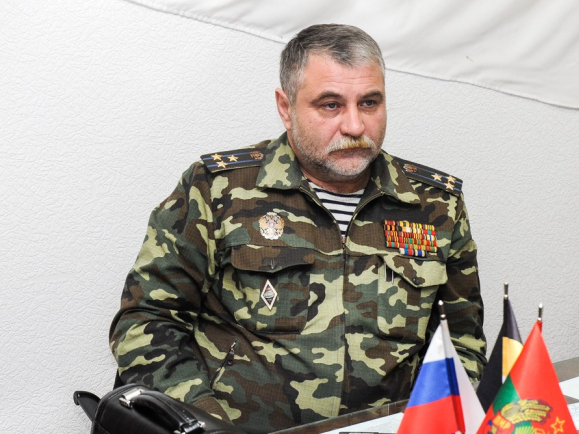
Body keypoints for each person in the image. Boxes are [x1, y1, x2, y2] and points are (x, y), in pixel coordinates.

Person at [110, 23, 486, 433]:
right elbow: (145, 321)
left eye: (369, 103)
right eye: (330, 105)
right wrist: (204, 422)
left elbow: (462, 341)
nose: (355, 126)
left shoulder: (435, 205)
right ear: (286, 107)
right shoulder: (218, 189)